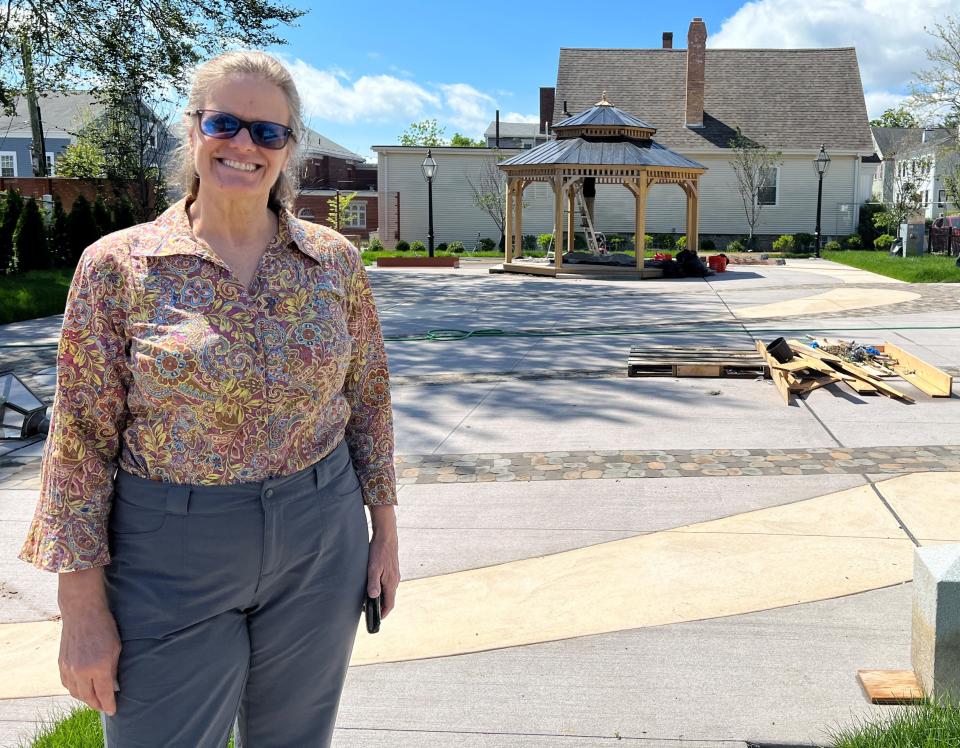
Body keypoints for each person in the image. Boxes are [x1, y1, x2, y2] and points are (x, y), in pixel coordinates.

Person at [19, 50, 399, 747]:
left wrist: (385, 534)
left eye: (268, 132)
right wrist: (81, 609)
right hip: (168, 553)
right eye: (225, 122)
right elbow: (77, 444)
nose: (244, 145)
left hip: (322, 538)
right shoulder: (116, 267)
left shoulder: (333, 261)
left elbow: (368, 399)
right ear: (192, 131)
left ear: (289, 149)